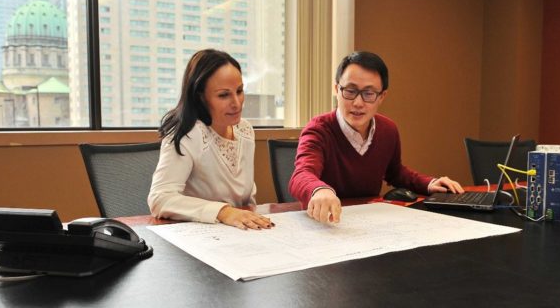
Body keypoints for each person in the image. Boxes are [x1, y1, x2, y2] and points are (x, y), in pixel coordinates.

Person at [289, 51, 464, 224]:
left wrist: (429, 183)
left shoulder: (388, 130)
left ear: (382, 97)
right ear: (336, 90)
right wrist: (319, 190)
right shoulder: (319, 129)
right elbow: (301, 174)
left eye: (369, 93)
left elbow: (395, 173)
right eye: (350, 91)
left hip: (371, 222)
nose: (358, 103)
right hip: (327, 222)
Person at [148, 49, 273, 230]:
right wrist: (224, 212)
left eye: (239, 91)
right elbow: (160, 199)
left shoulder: (245, 130)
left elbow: (246, 199)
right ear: (200, 97)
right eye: (223, 95)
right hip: (195, 237)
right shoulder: (187, 135)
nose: (237, 103)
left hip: (237, 236)